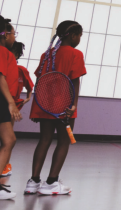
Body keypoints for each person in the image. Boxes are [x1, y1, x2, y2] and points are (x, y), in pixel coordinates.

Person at [26, 21, 85, 196]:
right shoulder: (76, 53)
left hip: (45, 104)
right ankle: (51, 182)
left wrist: (37, 107)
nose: (80, 39)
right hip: (64, 106)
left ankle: (33, 181)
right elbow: (74, 81)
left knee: (44, 140)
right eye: (80, 36)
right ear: (73, 35)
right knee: (64, 141)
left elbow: (41, 80)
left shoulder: (47, 54)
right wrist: (73, 104)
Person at [1, 42, 33, 180]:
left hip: (11, 105)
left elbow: (30, 87)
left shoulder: (20, 69)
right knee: (9, 139)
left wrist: (26, 99)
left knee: (8, 139)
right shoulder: (4, 56)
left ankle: (5, 165)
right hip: (5, 103)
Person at [0, 16, 21, 200]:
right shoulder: (2, 51)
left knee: (8, 140)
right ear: (5, 35)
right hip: (1, 100)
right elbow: (0, 78)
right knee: (9, 140)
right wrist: (11, 102)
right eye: (14, 33)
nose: (15, 37)